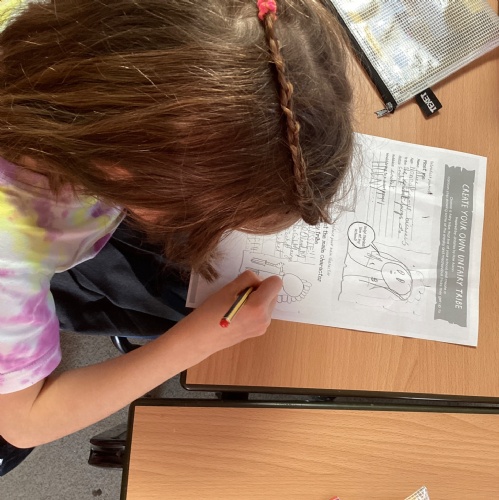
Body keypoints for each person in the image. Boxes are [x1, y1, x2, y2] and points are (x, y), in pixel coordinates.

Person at [0, 0, 353, 448]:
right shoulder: (10, 260)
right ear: (126, 171)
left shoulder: (99, 40)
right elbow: (25, 422)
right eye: (210, 218)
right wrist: (196, 341)